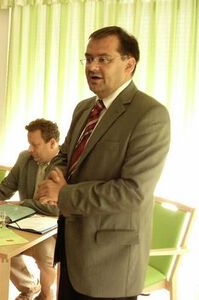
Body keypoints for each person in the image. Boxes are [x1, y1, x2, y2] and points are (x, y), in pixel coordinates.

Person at [37, 26, 170, 299]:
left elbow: (133, 191)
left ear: (129, 64)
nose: (92, 66)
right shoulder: (84, 108)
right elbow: (65, 155)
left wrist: (63, 194)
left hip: (111, 262)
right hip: (72, 252)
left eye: (103, 59)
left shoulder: (150, 115)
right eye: (88, 58)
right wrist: (56, 176)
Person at [0, 118, 60, 300]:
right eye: (29, 144)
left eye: (35, 145)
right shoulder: (25, 158)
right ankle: (30, 287)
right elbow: (6, 187)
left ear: (52, 143)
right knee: (0, 244)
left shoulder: (64, 165)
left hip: (53, 228)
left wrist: (23, 203)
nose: (30, 149)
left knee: (45, 254)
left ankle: (46, 296)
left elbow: (56, 209)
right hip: (24, 221)